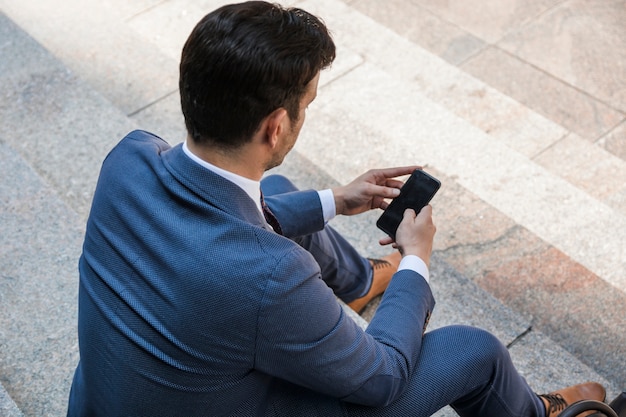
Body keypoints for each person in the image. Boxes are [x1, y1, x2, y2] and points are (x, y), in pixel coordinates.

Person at [66, 2, 605, 416]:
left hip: (117, 393)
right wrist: (416, 259)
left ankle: (360, 281)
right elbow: (385, 376)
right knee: (475, 350)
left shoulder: (129, 159)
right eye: (308, 106)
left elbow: (226, 228)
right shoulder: (270, 276)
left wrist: (334, 200)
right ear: (276, 125)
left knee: (277, 193)